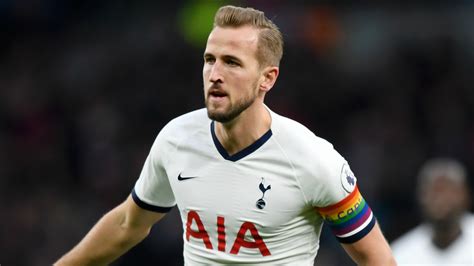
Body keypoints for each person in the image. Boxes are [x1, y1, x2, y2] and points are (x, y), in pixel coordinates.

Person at [55, 5, 395, 265]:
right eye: (210, 59)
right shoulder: (177, 140)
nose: (215, 74)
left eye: (232, 62)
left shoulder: (313, 159)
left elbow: (374, 258)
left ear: (267, 78)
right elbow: (128, 224)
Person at [391, 158, 474, 265]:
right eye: (434, 192)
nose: (440, 200)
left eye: (448, 191)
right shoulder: (401, 255)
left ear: (465, 195)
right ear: (420, 197)